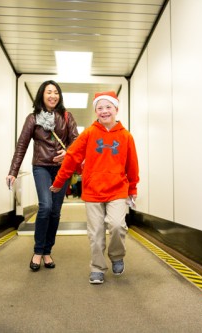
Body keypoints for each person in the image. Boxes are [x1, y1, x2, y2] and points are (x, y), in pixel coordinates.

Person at [50, 91, 139, 284]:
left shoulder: (126, 136)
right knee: (96, 232)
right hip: (92, 190)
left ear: (116, 109)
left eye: (108, 107)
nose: (104, 111)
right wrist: (59, 182)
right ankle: (97, 267)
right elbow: (72, 156)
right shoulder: (89, 133)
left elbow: (132, 165)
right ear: (96, 111)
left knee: (117, 225)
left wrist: (132, 189)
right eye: (100, 108)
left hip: (117, 189)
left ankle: (117, 255)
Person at [7, 80, 79, 272]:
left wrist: (68, 153)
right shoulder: (33, 118)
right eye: (49, 92)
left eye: (56, 92)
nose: (53, 96)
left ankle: (48, 251)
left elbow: (77, 142)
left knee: (55, 211)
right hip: (41, 167)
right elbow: (21, 145)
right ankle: (38, 251)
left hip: (62, 169)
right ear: (42, 95)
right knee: (45, 206)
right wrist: (13, 171)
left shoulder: (66, 117)